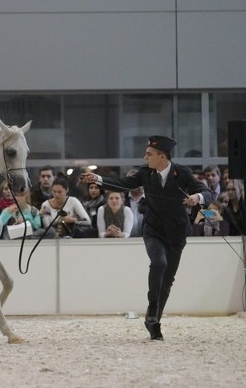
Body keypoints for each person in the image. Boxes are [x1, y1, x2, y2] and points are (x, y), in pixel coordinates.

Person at [81, 135, 211, 341]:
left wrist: (198, 198)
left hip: (176, 233)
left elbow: (205, 191)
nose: (145, 157)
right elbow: (123, 183)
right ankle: (152, 307)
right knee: (158, 262)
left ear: (162, 157)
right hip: (153, 230)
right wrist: (97, 179)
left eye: (149, 154)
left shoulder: (182, 173)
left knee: (167, 281)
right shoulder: (145, 173)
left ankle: (154, 321)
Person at [40, 174, 91, 238]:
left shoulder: (73, 201)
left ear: (67, 190)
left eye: (59, 192)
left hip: (71, 237)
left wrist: (73, 220)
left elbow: (88, 222)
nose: (56, 194)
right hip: (52, 238)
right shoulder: (46, 205)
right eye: (54, 191)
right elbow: (47, 227)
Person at [125, 169, 146, 237]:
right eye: (130, 181)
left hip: (145, 239)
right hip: (125, 240)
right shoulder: (122, 199)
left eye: (135, 181)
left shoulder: (149, 198)